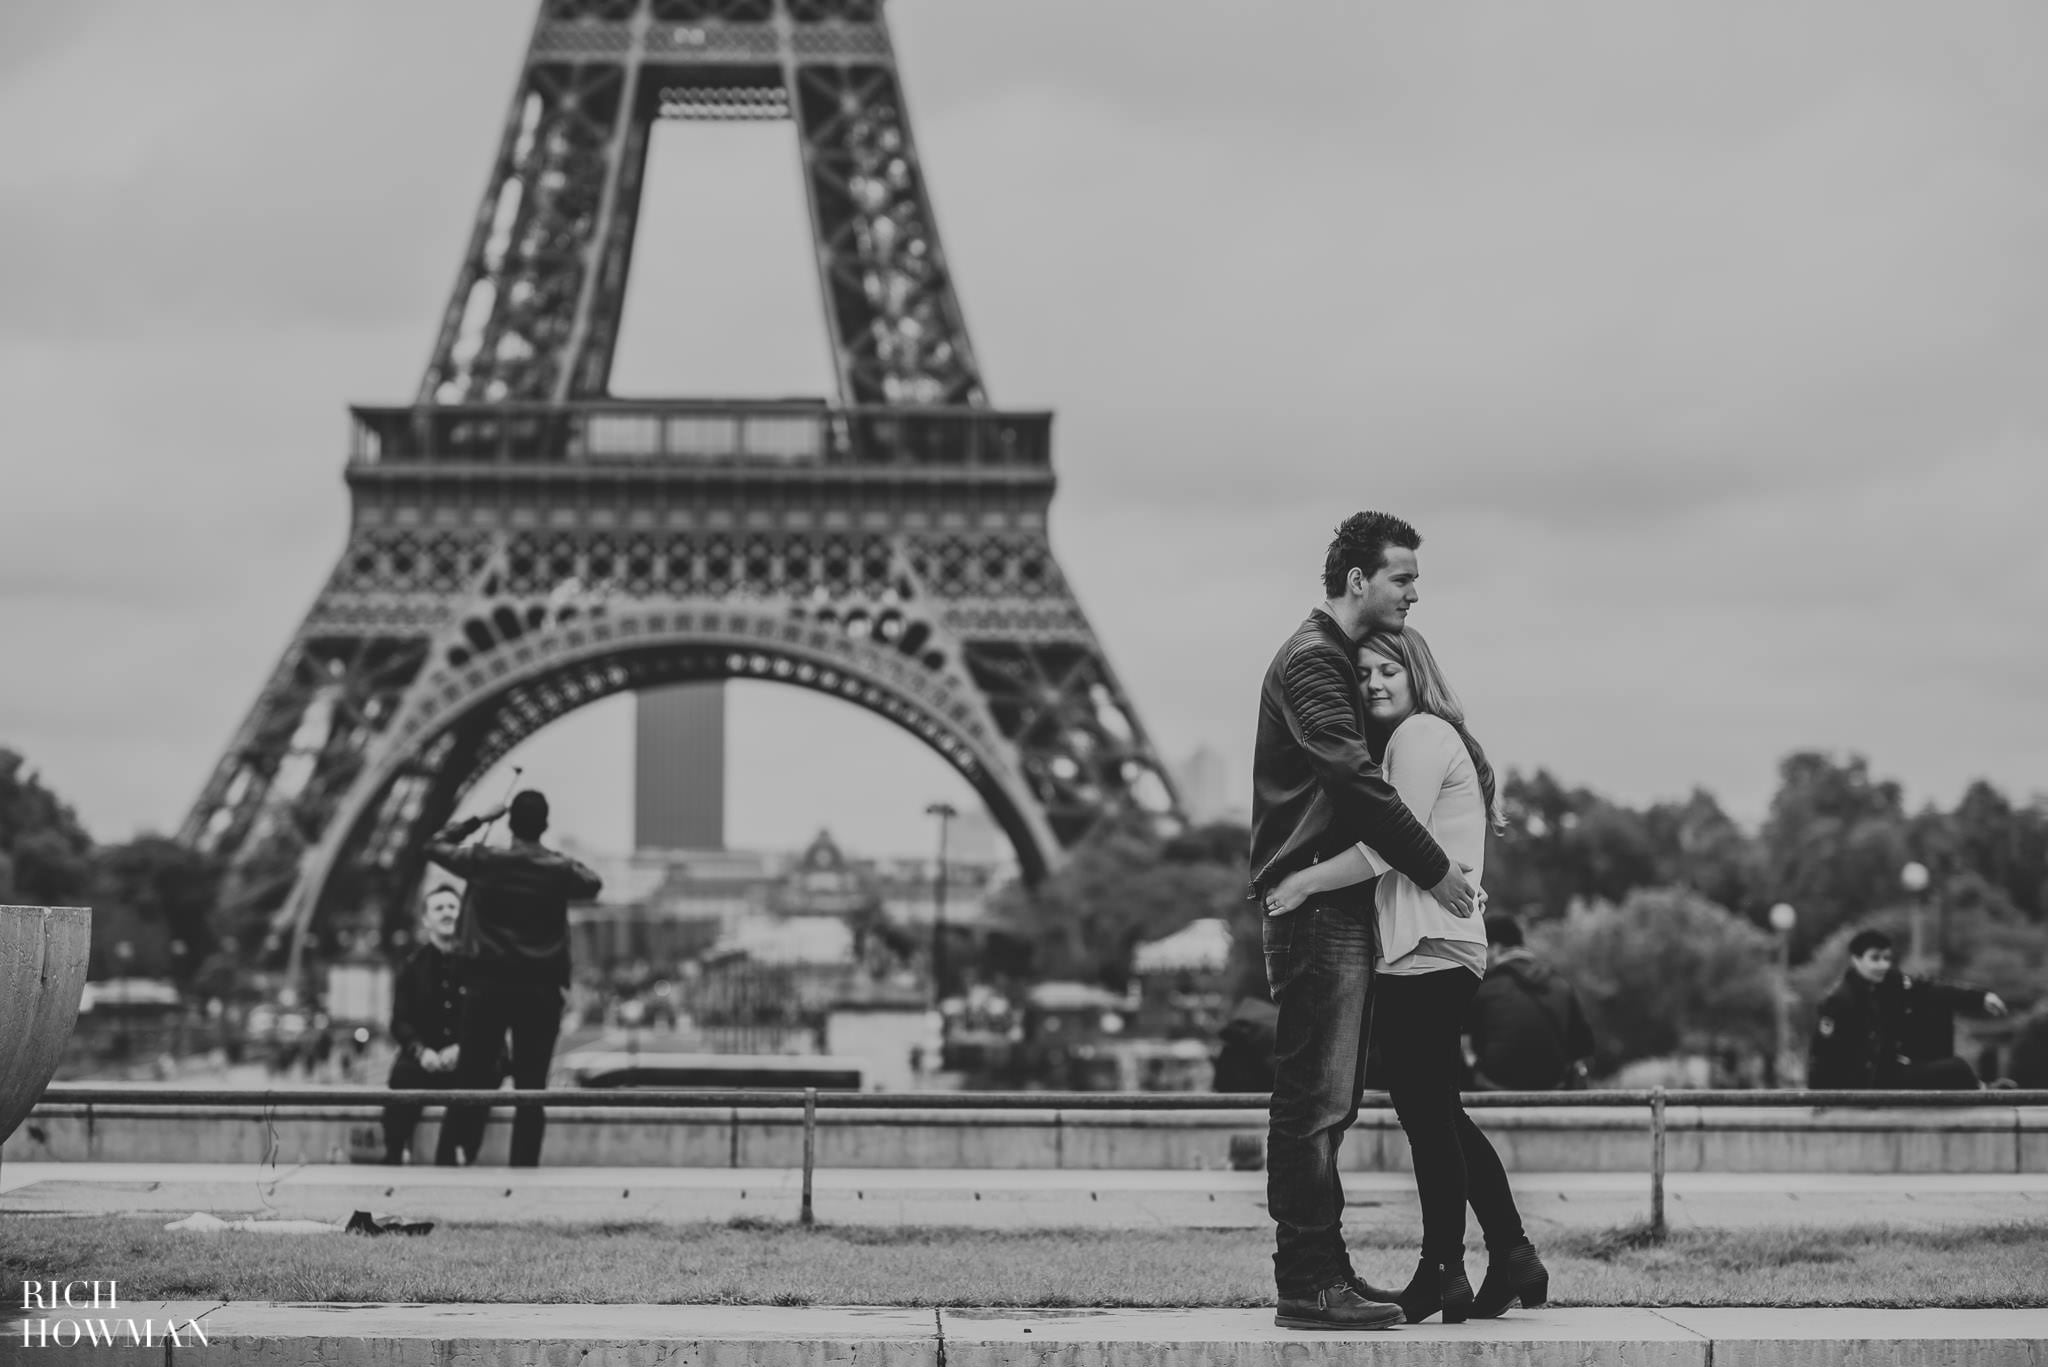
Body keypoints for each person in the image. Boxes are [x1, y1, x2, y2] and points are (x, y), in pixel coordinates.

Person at [1269, 625, 1546, 1324]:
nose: (1372, 684)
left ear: (1415, 668)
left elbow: (1387, 846)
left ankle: (1443, 1271)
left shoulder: (1420, 738)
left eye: (1386, 669)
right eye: (1362, 675)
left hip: (1426, 949)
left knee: (1428, 1116)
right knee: (1437, 1111)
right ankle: (1509, 1252)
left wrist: (1303, 883)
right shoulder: (1415, 739)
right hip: (1431, 947)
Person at [1248, 511, 1480, 1332]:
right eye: (1403, 578)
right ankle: (1308, 1277)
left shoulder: (1335, 661)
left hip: (1336, 905)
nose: (1415, 592)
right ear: (1358, 581)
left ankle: (1321, 1267)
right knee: (1314, 1098)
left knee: (1329, 1099)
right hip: (1318, 911)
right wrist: (1436, 868)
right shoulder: (1315, 660)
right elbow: (1352, 782)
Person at [426, 789, 603, 1166]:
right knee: (532, 1087)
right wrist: (553, 858)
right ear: (545, 826)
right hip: (540, 990)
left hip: (487, 986)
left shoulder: (485, 860)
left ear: (509, 823)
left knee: (470, 1079)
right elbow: (592, 883)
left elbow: (435, 845)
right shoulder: (556, 869)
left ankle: (451, 1160)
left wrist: (479, 821)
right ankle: (522, 1169)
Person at [1808, 930, 2007, 1090]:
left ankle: (1981, 1088)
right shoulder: (1841, 1000)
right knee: (1957, 1069)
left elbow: (1931, 989)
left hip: (1893, 1066)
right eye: (1875, 959)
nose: (1882, 965)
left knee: (1933, 1004)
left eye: (1886, 958)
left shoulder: (1892, 982)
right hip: (1870, 1081)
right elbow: (1821, 1053)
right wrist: (1818, 1098)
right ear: (1856, 959)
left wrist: (1980, 998)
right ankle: (1982, 1091)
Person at [381, 884, 471, 1165]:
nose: (447, 913)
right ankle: (394, 1152)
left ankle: (452, 1152)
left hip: (466, 1058)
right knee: (403, 1076)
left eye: (452, 907)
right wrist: (422, 1051)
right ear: (426, 920)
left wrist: (461, 1048)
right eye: (439, 908)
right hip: (425, 1059)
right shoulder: (411, 966)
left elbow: (487, 1019)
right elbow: (400, 1021)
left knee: (479, 1076)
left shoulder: (478, 965)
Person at [1466, 915, 1595, 1092]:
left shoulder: (1483, 988)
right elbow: (1584, 1047)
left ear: (1495, 948)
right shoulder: (1560, 984)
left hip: (1496, 1087)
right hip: (1554, 1087)